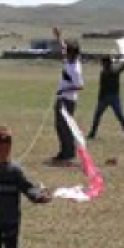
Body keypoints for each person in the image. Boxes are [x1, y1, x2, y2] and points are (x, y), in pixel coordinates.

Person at [47, 27, 86, 166]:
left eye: (67, 51)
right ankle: (64, 152)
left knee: (65, 127)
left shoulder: (74, 68)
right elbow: (63, 47)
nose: (64, 53)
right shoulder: (70, 61)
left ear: (72, 53)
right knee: (59, 126)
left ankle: (68, 154)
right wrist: (59, 36)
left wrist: (64, 89)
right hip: (62, 98)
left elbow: (80, 85)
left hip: (67, 100)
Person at [88, 55, 124, 140]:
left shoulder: (110, 72)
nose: (102, 64)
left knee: (117, 116)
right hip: (110, 97)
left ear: (106, 63)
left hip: (109, 98)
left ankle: (92, 134)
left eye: (103, 63)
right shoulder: (112, 71)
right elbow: (123, 66)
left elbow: (123, 66)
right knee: (119, 116)